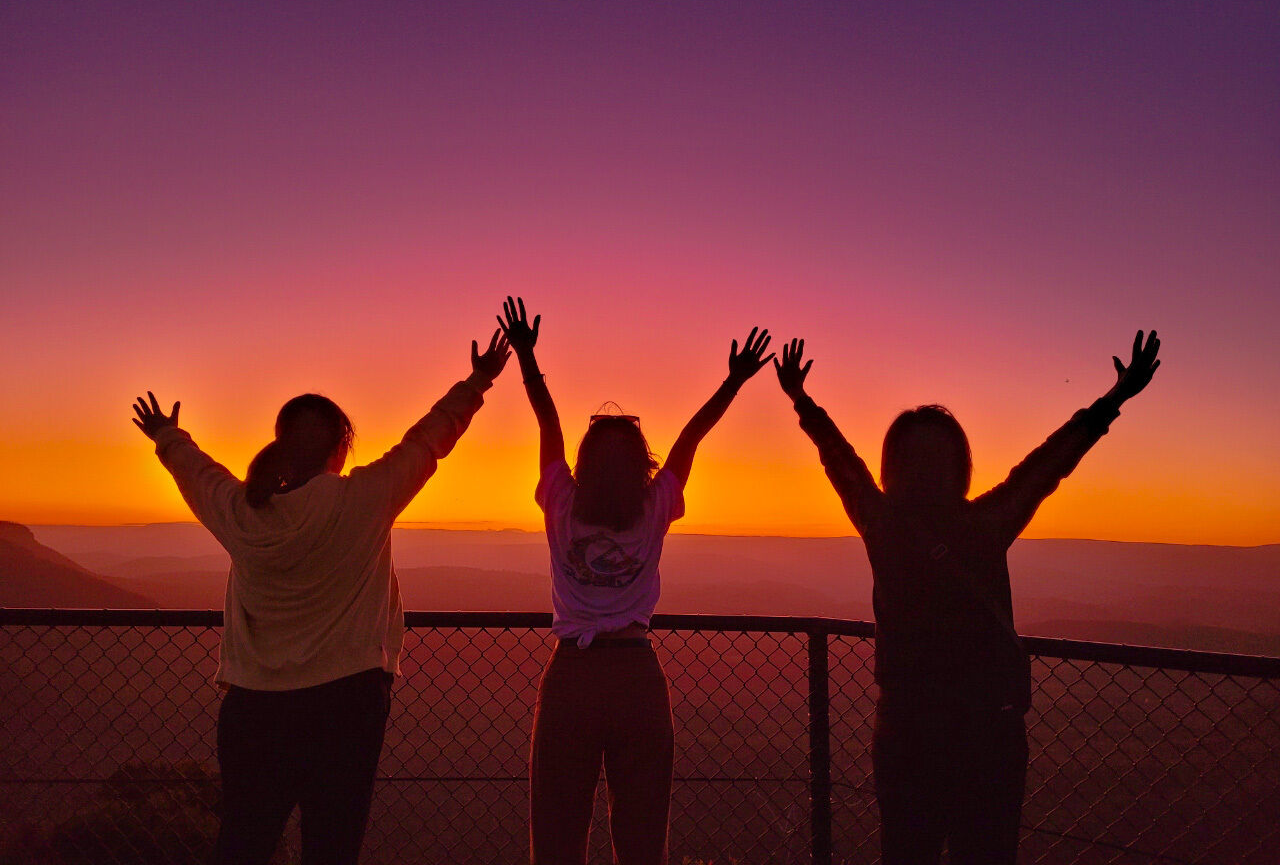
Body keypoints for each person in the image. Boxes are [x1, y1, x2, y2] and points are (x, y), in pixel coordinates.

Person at [773, 330, 1161, 865]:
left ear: (892, 465)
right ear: (961, 464)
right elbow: (1048, 465)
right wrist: (1114, 398)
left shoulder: (883, 525)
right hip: (988, 735)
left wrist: (802, 402)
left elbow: (840, 462)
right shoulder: (985, 524)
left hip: (907, 731)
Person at [129, 330, 510, 865]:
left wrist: (167, 435)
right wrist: (479, 380)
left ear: (281, 443)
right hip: (347, 704)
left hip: (254, 707)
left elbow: (197, 473)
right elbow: (430, 438)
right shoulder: (365, 498)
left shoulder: (242, 511)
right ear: (341, 446)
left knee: (243, 842)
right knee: (333, 846)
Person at [497, 296, 772, 865]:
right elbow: (691, 439)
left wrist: (527, 357)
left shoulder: (561, 502)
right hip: (637, 674)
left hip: (572, 672)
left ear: (584, 460)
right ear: (643, 466)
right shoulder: (654, 507)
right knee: (643, 832)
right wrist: (734, 381)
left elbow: (545, 419)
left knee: (556, 829)